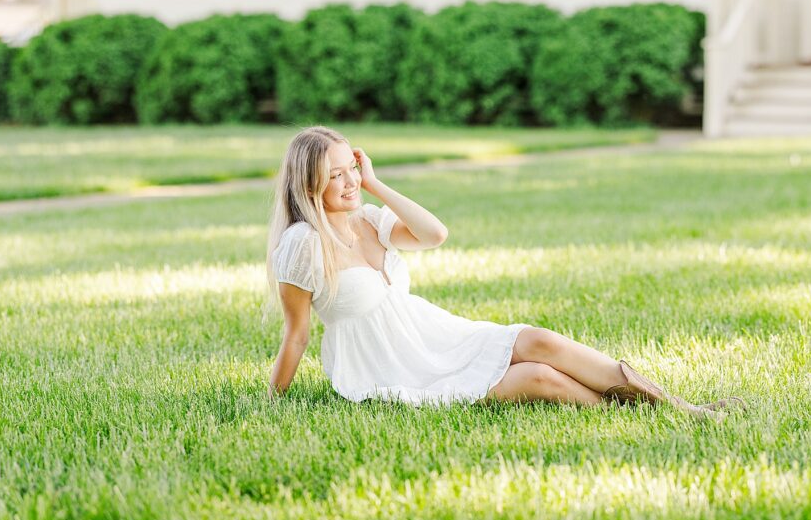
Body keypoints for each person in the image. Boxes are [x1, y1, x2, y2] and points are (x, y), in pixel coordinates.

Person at [264, 126, 744, 421]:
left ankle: (684, 409)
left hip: (436, 335)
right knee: (538, 378)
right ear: (309, 182)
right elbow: (297, 336)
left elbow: (434, 234)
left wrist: (376, 183)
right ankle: (629, 415)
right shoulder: (303, 245)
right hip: (390, 367)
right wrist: (273, 403)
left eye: (352, 168)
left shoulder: (369, 217)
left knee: (540, 341)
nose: (349, 182)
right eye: (336, 175)